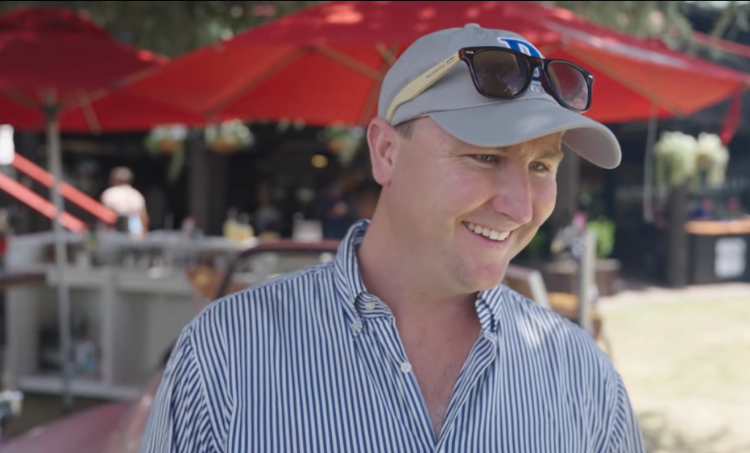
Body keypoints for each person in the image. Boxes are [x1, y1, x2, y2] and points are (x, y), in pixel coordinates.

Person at [140, 24, 645, 452]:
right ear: (385, 151)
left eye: (540, 166)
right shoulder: (225, 355)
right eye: (485, 157)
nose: (521, 207)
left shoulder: (582, 376)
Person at [100, 166, 148, 235]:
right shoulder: (137, 194)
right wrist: (144, 234)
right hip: (134, 232)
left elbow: (105, 214)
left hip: (114, 231)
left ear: (116, 180)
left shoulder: (109, 193)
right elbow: (143, 216)